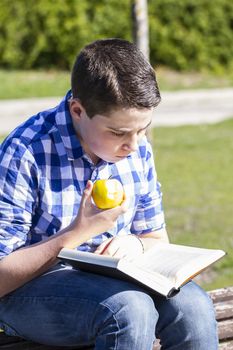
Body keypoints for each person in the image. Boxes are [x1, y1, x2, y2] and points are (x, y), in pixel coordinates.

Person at [0, 38, 218, 349]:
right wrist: (77, 233)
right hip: (27, 293)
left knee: (194, 306)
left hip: (115, 282)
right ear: (78, 110)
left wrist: (134, 244)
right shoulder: (26, 151)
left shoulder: (136, 149)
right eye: (118, 133)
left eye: (142, 129)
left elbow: (156, 238)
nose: (134, 144)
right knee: (129, 310)